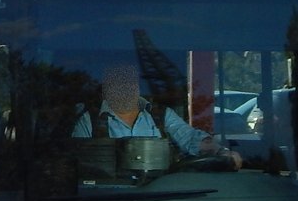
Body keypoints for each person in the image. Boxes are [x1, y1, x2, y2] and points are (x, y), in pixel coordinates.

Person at [72, 64, 241, 169]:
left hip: (161, 197)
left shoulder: (161, 115)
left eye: (131, 83)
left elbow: (190, 138)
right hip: (110, 199)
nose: (127, 89)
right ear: (107, 90)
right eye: (119, 85)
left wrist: (220, 151)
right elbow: (79, 163)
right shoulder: (89, 121)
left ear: (137, 87)